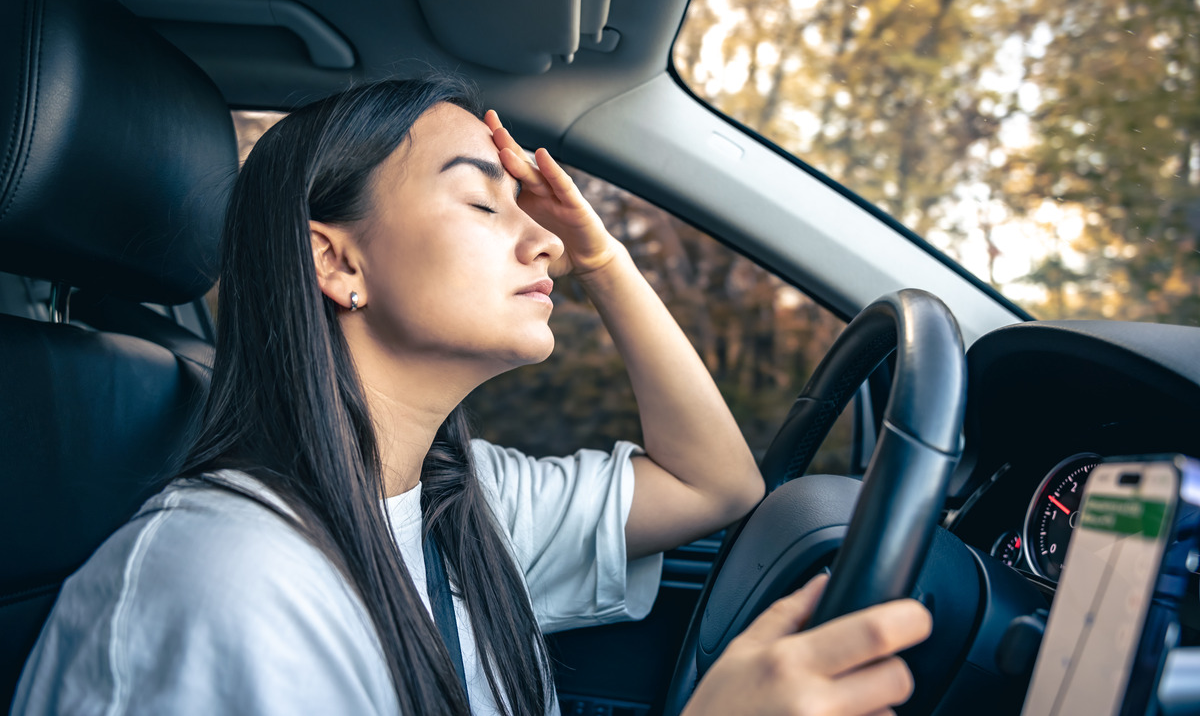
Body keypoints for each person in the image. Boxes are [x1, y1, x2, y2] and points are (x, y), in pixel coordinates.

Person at [11, 77, 931, 716]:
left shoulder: (461, 503)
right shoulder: (222, 588)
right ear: (337, 261)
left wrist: (603, 256)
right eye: (484, 205)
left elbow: (714, 485)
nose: (546, 246)